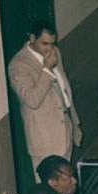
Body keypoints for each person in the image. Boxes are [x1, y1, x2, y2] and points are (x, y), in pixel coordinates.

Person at [8, 19, 82, 173]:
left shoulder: (55, 53)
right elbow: (32, 100)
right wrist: (47, 69)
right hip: (45, 140)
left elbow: (64, 89)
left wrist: (75, 123)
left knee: (65, 188)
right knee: (49, 192)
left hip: (65, 132)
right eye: (44, 44)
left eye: (52, 43)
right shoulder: (18, 65)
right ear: (32, 38)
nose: (49, 49)